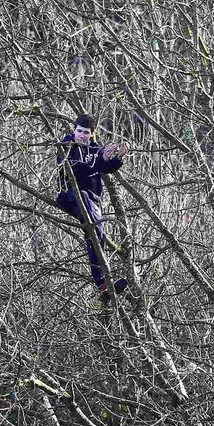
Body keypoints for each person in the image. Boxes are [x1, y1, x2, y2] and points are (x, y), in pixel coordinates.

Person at [55, 113, 129, 297]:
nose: (81, 135)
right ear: (74, 130)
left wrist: (118, 158)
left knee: (98, 234)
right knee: (85, 198)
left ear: (92, 134)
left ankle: (104, 284)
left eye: (85, 133)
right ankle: (102, 281)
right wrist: (99, 160)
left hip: (90, 201)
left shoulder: (95, 149)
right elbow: (74, 168)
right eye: (79, 131)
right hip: (70, 195)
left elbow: (104, 168)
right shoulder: (66, 145)